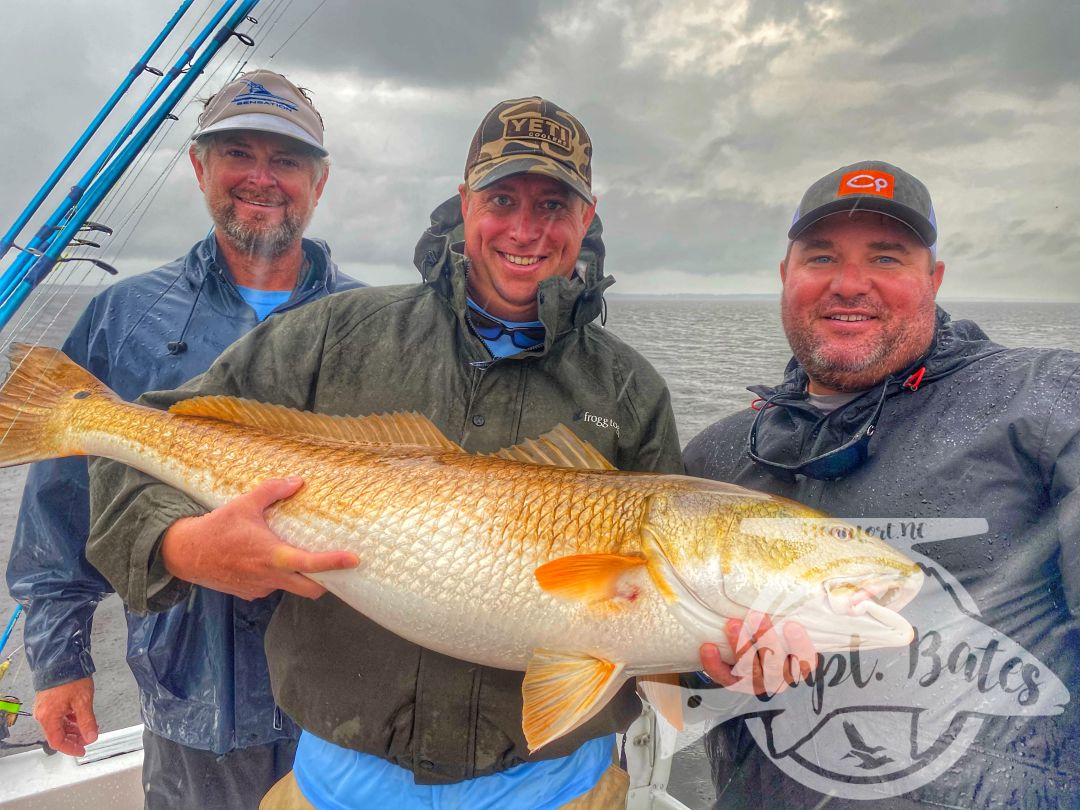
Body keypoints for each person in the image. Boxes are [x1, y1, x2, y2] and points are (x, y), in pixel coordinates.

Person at [84, 95, 771, 810]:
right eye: (503, 198)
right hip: (340, 783)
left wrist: (717, 661)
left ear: (587, 218)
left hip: (560, 787)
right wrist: (184, 545)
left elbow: (656, 632)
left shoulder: (629, 390)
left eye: (554, 205)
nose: (526, 229)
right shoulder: (332, 335)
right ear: (465, 202)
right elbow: (136, 437)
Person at [6, 70, 360, 809]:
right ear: (200, 167)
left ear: (318, 183)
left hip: (347, 709)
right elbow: (60, 509)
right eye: (238, 153)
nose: (261, 178)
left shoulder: (377, 326)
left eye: (287, 160)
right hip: (191, 703)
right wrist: (59, 659)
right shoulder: (123, 316)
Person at [683, 160, 1080, 808]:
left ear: (934, 279)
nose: (849, 284)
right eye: (821, 257)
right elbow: (673, 677)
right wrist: (706, 661)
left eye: (887, 257)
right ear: (786, 277)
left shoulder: (1046, 402)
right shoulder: (716, 458)